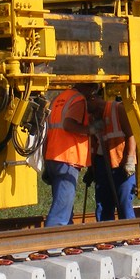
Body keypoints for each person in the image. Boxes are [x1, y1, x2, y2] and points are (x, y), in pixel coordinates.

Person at [43, 83, 99, 227]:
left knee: (63, 204)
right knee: (61, 211)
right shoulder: (78, 99)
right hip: (67, 158)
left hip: (53, 156)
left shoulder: (59, 98)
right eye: (93, 90)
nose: (92, 95)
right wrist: (90, 129)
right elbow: (68, 125)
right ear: (87, 86)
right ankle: (53, 237)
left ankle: (66, 233)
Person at [87, 93, 137, 221]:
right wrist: (91, 168)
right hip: (102, 164)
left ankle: (129, 231)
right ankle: (106, 232)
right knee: (103, 204)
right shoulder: (92, 116)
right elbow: (93, 144)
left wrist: (130, 160)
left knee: (124, 202)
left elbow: (131, 135)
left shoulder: (117, 109)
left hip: (122, 163)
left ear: (94, 99)